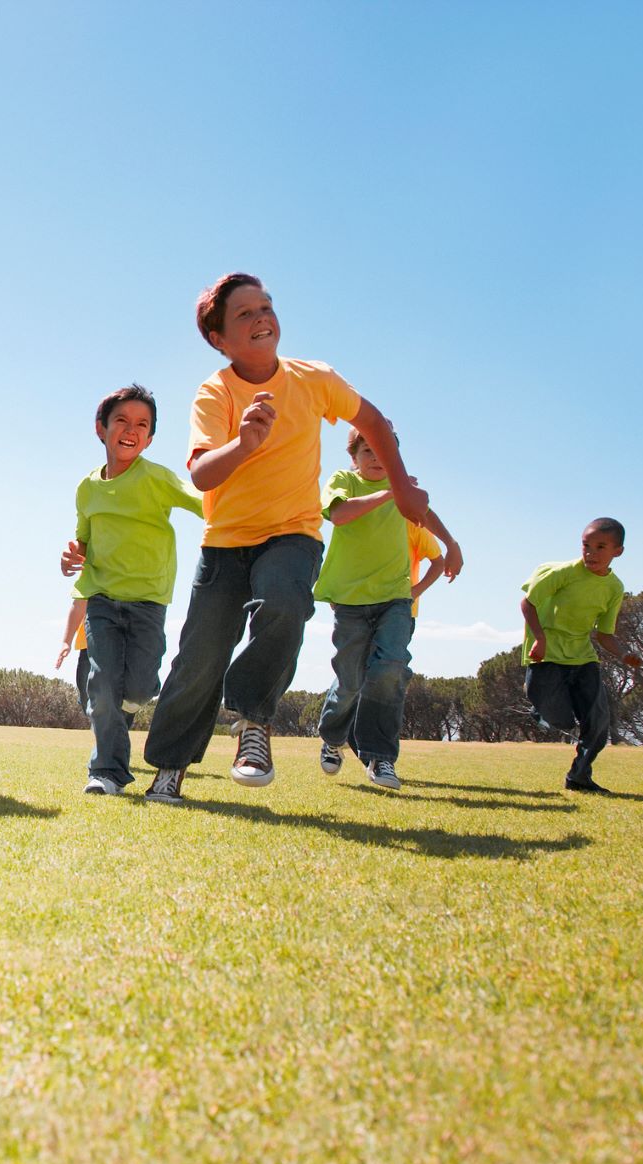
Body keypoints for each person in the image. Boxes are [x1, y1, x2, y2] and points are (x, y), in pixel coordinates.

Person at [132, 273, 451, 800]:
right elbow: (203, 474)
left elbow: (374, 421)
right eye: (245, 314)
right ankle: (170, 769)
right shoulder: (216, 391)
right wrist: (245, 442)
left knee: (284, 602)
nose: (262, 318)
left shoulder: (313, 378)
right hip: (226, 541)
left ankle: (254, 721)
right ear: (219, 337)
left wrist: (402, 485)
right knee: (200, 656)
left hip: (293, 533)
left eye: (267, 307)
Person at [59, 385, 203, 795]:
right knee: (102, 687)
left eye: (142, 424)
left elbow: (203, 503)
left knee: (137, 690)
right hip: (102, 598)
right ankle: (107, 772)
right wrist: (73, 556)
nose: (130, 430)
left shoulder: (157, 478)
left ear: (151, 438)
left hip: (149, 601)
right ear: (101, 429)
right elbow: (82, 539)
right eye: (121, 420)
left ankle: (125, 709)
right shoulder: (87, 489)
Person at [313, 425, 463, 790]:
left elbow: (424, 514)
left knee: (391, 669)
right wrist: (390, 492)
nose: (377, 459)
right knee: (351, 679)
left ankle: (380, 758)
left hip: (395, 597)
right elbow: (339, 514)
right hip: (349, 599)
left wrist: (451, 544)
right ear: (354, 458)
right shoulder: (344, 480)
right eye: (368, 452)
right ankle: (333, 736)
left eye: (384, 453)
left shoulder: (403, 491)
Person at [520, 518, 643, 793]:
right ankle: (540, 709)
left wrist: (624, 655)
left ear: (618, 551)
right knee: (558, 720)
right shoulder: (561, 573)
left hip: (583, 658)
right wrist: (539, 638)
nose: (591, 553)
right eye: (586, 545)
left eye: (601, 547)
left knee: (598, 722)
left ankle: (579, 776)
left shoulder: (614, 588)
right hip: (546, 655)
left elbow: (604, 634)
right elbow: (528, 603)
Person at [55, 598, 91, 712]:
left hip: (125, 642)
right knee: (86, 695)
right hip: (89, 643)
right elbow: (80, 603)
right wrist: (66, 642)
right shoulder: (90, 579)